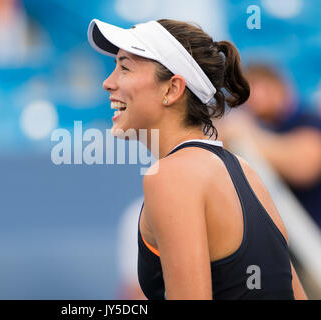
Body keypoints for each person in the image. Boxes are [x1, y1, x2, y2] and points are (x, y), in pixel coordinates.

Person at [87, 18, 307, 299]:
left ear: (172, 89)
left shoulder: (170, 176)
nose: (107, 83)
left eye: (124, 68)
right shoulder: (245, 170)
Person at [217, 64, 321, 228]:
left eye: (259, 87)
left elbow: (304, 166)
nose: (254, 97)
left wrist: (245, 136)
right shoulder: (259, 125)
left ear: (279, 87)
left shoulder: (308, 120)